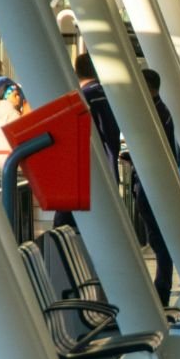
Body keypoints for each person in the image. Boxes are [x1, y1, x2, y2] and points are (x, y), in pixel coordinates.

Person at [55, 53, 122, 228]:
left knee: (67, 227)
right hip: (108, 169)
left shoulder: (83, 99)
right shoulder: (111, 98)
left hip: (84, 175)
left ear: (76, 71)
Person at [133, 68, 176, 305]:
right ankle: (162, 288)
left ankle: (162, 290)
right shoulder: (162, 110)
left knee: (159, 239)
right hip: (156, 179)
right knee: (159, 239)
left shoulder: (154, 112)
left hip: (152, 181)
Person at [0, 81, 27, 167]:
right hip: (15, 161)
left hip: (2, 161)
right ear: (7, 96)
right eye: (15, 95)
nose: (19, 98)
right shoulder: (12, 114)